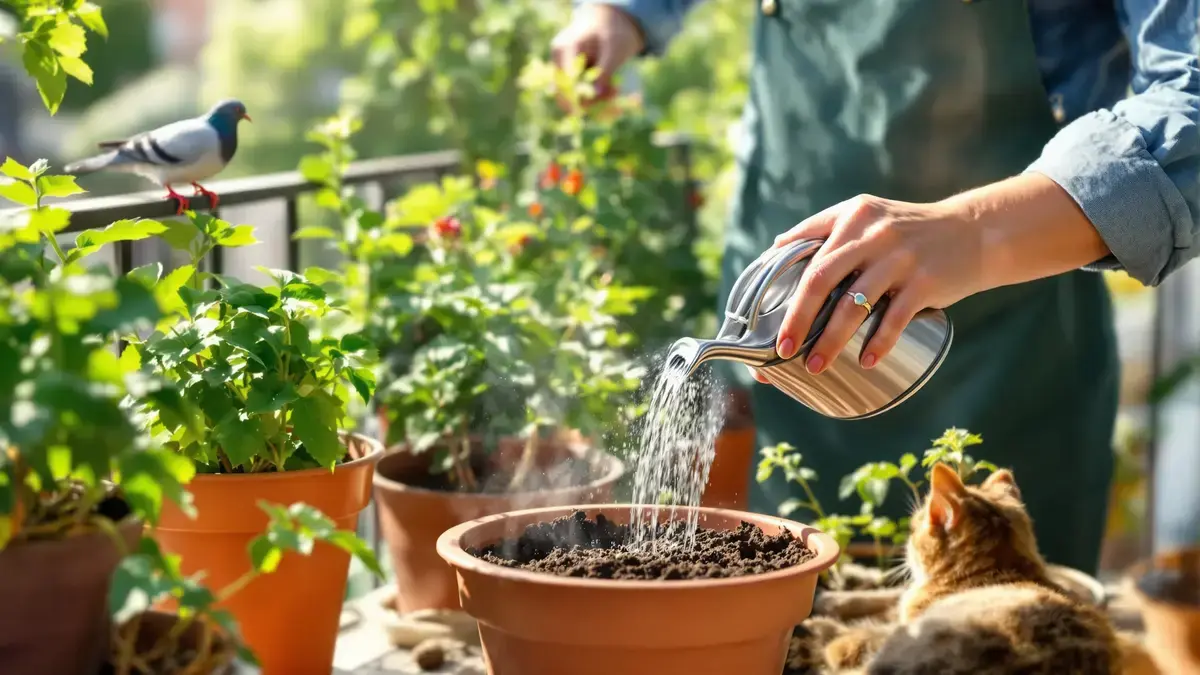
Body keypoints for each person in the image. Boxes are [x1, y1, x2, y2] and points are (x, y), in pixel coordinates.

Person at [552, 0, 1200, 574]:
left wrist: (971, 233)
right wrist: (624, 12)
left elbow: (1191, 94)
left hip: (1012, 345)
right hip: (784, 324)